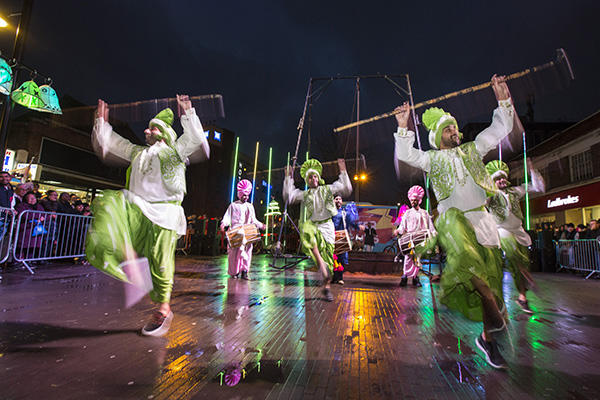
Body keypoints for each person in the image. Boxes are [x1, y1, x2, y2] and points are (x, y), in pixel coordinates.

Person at [394, 74, 515, 369]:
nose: (454, 131)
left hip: (483, 224)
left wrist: (503, 99)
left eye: (455, 127)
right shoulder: (432, 159)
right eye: (448, 129)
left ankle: (488, 338)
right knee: (479, 282)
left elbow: (500, 128)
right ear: (438, 137)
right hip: (453, 225)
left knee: (492, 289)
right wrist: (402, 126)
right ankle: (499, 330)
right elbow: (407, 153)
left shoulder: (473, 149)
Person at [86, 95, 209, 337]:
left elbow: (195, 138)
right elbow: (112, 143)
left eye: (152, 128)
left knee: (160, 260)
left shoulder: (175, 151)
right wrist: (101, 121)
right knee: (111, 204)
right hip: (138, 209)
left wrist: (188, 111)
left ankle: (163, 308)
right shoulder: (137, 152)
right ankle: (122, 263)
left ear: (162, 132)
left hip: (165, 213)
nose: (146, 130)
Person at [283, 158, 352, 301]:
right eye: (309, 177)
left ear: (318, 178)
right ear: (307, 181)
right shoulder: (305, 194)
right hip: (313, 226)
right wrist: (288, 177)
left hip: (327, 226)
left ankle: (326, 287)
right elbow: (289, 196)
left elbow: (345, 188)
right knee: (308, 230)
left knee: (329, 265)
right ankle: (321, 263)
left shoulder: (327, 189)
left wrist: (343, 170)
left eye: (314, 176)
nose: (312, 179)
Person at [485, 160, 544, 314]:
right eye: (497, 179)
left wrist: (532, 169)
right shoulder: (491, 194)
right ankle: (524, 272)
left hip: (518, 231)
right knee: (510, 250)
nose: (501, 180)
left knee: (522, 262)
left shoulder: (515, 191)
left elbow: (538, 187)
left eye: (503, 178)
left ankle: (522, 297)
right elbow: (481, 201)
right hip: (501, 229)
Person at [220, 179, 265, 280]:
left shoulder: (250, 206)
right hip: (235, 232)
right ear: (239, 194)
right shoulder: (233, 205)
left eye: (247, 195)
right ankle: (234, 272)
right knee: (233, 254)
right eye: (244, 195)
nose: (246, 197)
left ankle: (244, 271)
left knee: (247, 252)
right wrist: (223, 223)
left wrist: (261, 225)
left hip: (247, 232)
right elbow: (227, 217)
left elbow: (254, 220)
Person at [394, 185, 436, 288]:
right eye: (412, 200)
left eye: (415, 200)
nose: (413, 202)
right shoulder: (407, 213)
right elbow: (402, 226)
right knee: (408, 258)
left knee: (417, 259)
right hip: (409, 238)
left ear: (419, 201)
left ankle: (415, 278)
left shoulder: (424, 213)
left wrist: (433, 233)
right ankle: (404, 277)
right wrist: (398, 231)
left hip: (420, 239)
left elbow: (430, 226)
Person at [331, 195, 364, 284]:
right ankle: (334, 277)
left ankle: (340, 277)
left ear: (342, 201)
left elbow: (351, 223)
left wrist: (358, 226)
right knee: (333, 258)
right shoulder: (330, 212)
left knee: (341, 258)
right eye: (336, 199)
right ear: (333, 201)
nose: (338, 200)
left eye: (340, 199)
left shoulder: (345, 213)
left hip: (342, 237)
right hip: (331, 237)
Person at [14, 192, 46, 259]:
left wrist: (42, 218)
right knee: (21, 246)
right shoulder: (21, 206)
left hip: (36, 230)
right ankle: (17, 261)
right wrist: (38, 217)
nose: (33, 200)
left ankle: (29, 260)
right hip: (25, 229)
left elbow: (44, 214)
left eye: (34, 198)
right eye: (30, 198)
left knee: (33, 247)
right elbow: (25, 215)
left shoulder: (39, 206)